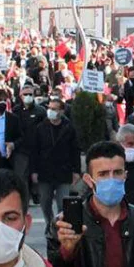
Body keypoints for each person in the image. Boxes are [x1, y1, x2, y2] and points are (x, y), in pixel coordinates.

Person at [29, 97, 81, 228]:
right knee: (45, 201)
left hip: (64, 171)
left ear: (61, 111)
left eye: (54, 109)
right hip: (44, 172)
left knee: (63, 203)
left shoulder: (69, 128)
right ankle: (49, 224)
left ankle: (60, 227)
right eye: (49, 108)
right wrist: (33, 171)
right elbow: (34, 150)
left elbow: (75, 150)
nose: (50, 111)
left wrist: (76, 171)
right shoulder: (41, 128)